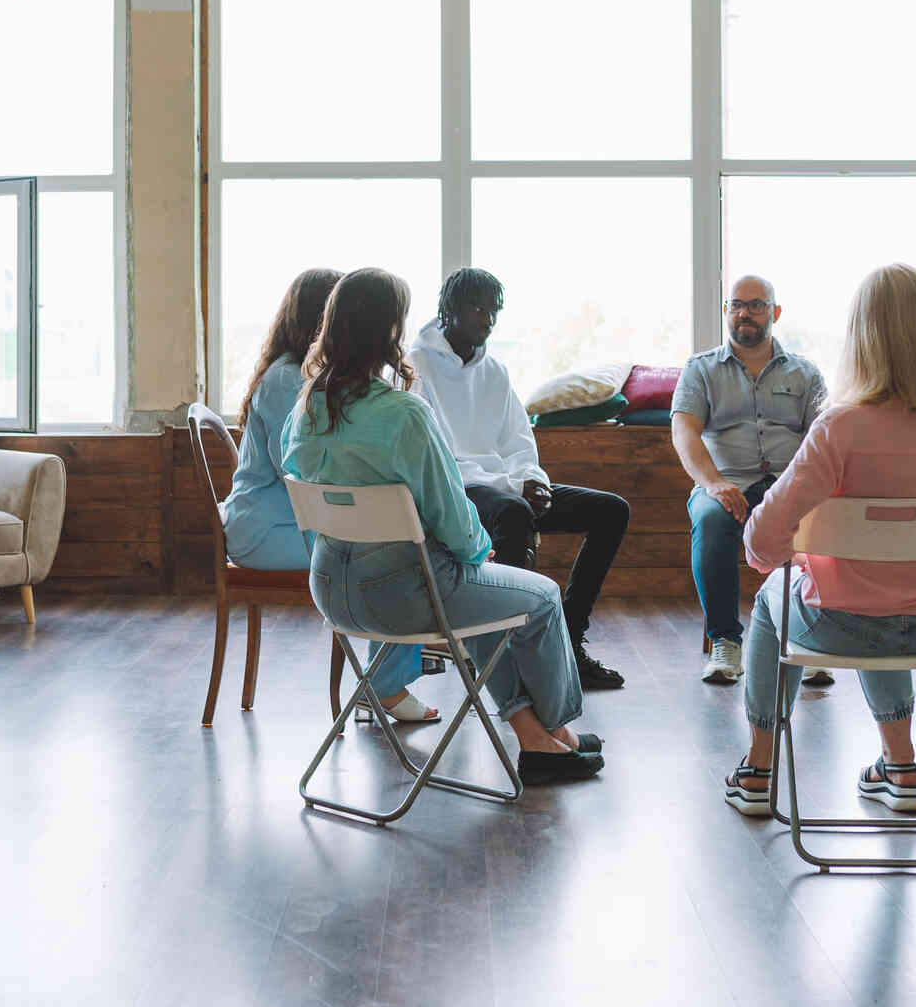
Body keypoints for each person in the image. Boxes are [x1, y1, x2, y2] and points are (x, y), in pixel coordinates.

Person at [281, 268, 604, 785]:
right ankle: (558, 730)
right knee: (540, 598)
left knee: (481, 607)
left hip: (331, 592)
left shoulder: (308, 407)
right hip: (401, 595)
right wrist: (479, 551)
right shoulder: (404, 413)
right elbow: (452, 514)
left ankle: (534, 737)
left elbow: (299, 476)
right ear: (389, 331)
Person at [722, 265, 916, 816]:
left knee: (783, 600)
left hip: (844, 622)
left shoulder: (839, 427)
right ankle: (900, 767)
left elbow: (763, 538)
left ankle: (757, 769)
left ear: (861, 339)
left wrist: (788, 556)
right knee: (880, 589)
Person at [221, 268, 437, 724]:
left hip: (291, 521)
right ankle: (388, 682)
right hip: (266, 532)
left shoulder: (306, 377)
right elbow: (305, 470)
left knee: (399, 541)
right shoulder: (287, 381)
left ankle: (391, 669)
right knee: (397, 553)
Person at [408, 267, 631, 690]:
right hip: (455, 490)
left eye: (494, 312)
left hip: (506, 487)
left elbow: (518, 442)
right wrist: (514, 488)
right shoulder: (416, 365)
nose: (488, 321)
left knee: (610, 510)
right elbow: (433, 460)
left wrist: (533, 479)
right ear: (449, 310)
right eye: (478, 309)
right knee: (512, 512)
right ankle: (503, 656)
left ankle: (567, 642)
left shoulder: (495, 370)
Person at [672, 274, 829, 685]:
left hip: (789, 483)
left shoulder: (806, 373)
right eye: (737, 304)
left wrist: (808, 488)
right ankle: (725, 642)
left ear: (775, 313)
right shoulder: (700, 369)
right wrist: (712, 483)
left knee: (822, 519)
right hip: (724, 483)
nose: (745, 312)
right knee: (710, 520)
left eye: (757, 305)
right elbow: (684, 433)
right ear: (726, 311)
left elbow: (823, 435)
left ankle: (809, 639)